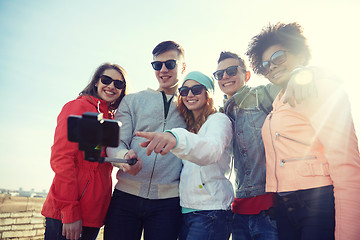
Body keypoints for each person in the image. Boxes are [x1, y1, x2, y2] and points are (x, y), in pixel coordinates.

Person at [246, 22, 360, 240]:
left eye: (279, 57)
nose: (271, 67)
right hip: (284, 206)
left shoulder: (319, 87)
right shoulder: (278, 100)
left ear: (300, 55)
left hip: (318, 203)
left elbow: (347, 165)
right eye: (265, 65)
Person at [41, 63, 142, 240]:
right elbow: (62, 160)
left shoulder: (111, 118)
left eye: (118, 84)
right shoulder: (77, 108)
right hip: (68, 213)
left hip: (93, 214)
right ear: (96, 81)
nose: (111, 86)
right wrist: (69, 211)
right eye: (106, 80)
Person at [104, 40, 187, 240]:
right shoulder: (132, 101)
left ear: (183, 66)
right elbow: (115, 144)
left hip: (168, 203)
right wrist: (125, 158)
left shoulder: (191, 104)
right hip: (125, 198)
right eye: (157, 65)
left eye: (170, 64)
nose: (163, 70)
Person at [137, 71, 234, 240]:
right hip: (187, 210)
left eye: (196, 89)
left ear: (208, 93)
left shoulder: (219, 120)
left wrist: (176, 137)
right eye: (184, 91)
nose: (189, 94)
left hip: (211, 211)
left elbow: (211, 151)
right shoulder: (191, 125)